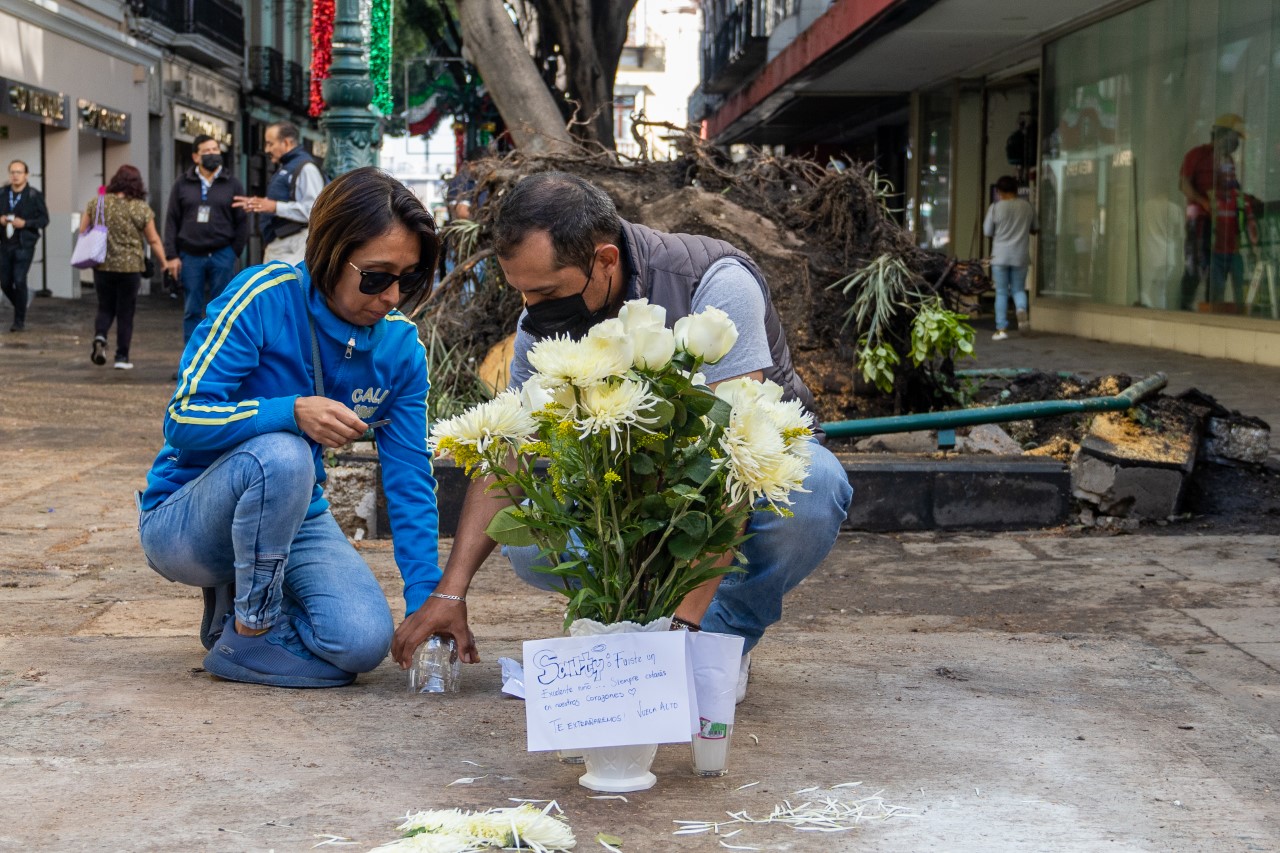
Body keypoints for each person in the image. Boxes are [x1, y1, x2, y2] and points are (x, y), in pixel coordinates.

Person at [391, 171, 854, 701]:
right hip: (631, 489)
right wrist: (451, 591)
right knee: (526, 533)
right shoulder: (541, 323)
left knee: (815, 486)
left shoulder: (717, 284)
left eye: (544, 290)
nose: (531, 309)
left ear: (605, 260)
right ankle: (625, 632)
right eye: (521, 291)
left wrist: (684, 633)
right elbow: (511, 450)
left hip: (724, 478)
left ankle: (720, 643)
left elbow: (734, 458)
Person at [138, 166, 442, 688]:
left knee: (362, 644)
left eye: (407, 278)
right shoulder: (264, 295)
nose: (392, 296)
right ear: (329, 254)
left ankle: (238, 617)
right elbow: (183, 418)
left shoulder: (401, 351)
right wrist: (289, 411)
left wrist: (427, 605)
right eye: (375, 276)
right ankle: (252, 630)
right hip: (184, 517)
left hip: (296, 513)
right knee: (284, 452)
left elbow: (410, 478)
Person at [163, 134, 249, 347]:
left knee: (222, 309)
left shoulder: (233, 184)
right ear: (195, 156)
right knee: (192, 309)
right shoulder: (182, 184)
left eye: (215, 150)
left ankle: (217, 360)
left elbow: (243, 222)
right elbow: (172, 219)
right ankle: (191, 360)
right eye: (207, 151)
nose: (213, 154)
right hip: (191, 255)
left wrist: (233, 252)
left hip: (222, 254)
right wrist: (171, 255)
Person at [81, 166, 169, 370]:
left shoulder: (98, 203)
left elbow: (83, 229)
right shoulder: (140, 208)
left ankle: (100, 336)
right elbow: (153, 239)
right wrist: (164, 262)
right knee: (125, 312)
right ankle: (121, 357)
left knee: (104, 306)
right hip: (130, 268)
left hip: (102, 265)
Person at [1179, 114, 1257, 312]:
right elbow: (1184, 184)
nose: (1236, 143)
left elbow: (1233, 190)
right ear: (1223, 135)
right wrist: (1203, 201)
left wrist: (1249, 205)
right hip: (1200, 223)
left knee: (1216, 274)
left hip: (1222, 226)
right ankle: (1183, 309)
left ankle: (1211, 313)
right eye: (1234, 137)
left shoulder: (1228, 160)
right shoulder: (1196, 155)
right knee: (1196, 268)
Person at [233, 121, 325, 266]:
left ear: (286, 143)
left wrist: (274, 207)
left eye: (270, 143)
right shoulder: (289, 166)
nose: (266, 149)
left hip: (294, 246)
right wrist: (263, 204)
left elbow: (314, 211)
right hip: (283, 245)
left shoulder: (306, 168)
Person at [983, 175, 1038, 341]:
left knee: (1001, 292)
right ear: (1016, 190)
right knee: (1018, 289)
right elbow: (1035, 228)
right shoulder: (1027, 207)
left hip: (999, 255)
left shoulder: (995, 208)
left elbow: (987, 232)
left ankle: (1001, 329)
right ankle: (1021, 309)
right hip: (1020, 255)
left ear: (999, 191)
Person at [0, 159, 50, 332]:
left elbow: (44, 220)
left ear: (26, 175)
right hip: (5, 244)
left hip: (24, 244)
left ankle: (18, 320)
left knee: (19, 279)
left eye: (18, 172)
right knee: (5, 282)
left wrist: (26, 223)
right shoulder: (3, 193)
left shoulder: (34, 195)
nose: (15, 175)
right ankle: (21, 305)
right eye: (12, 172)